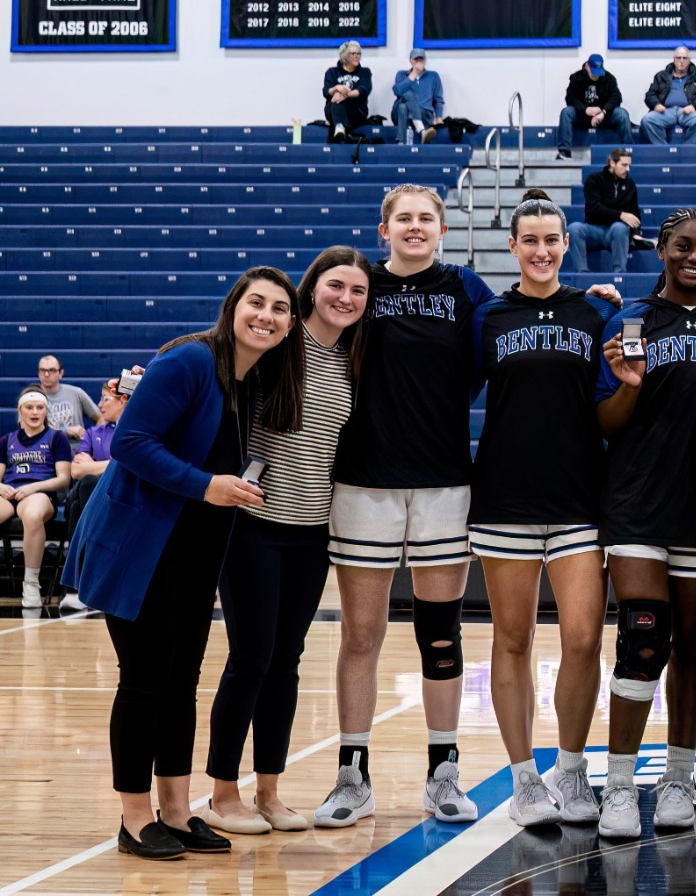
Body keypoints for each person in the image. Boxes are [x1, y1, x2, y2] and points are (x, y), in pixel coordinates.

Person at [62, 267, 302, 861]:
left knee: (181, 683)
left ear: (290, 323)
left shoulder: (257, 379)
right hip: (138, 542)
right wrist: (206, 486)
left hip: (195, 549)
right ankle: (135, 817)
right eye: (256, 302)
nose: (266, 315)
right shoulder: (191, 362)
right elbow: (130, 443)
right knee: (145, 682)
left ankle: (176, 809)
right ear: (234, 306)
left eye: (279, 308)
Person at [318, 185, 498, 829]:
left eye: (427, 218)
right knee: (361, 634)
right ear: (383, 226)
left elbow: (506, 346)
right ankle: (353, 775)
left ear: (443, 228)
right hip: (364, 481)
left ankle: (443, 772)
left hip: (445, 482)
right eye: (404, 219)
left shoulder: (467, 289)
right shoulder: (358, 286)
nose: (415, 227)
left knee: (440, 636)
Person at [596, 209, 696, 838]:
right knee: (643, 639)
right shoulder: (628, 321)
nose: (695, 257)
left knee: (691, 644)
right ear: (661, 250)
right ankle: (617, 785)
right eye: (683, 247)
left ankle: (677, 776)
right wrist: (629, 386)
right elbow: (606, 423)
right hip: (637, 499)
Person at [200, 247, 370, 837]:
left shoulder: (354, 356)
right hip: (255, 527)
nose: (345, 298)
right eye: (335, 286)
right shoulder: (280, 347)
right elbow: (218, 356)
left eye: (357, 290)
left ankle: (268, 792)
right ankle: (223, 794)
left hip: (311, 532)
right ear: (312, 288)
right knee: (250, 657)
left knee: (286, 662)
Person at [469, 199, 619, 827]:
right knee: (513, 640)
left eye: (551, 240)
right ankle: (524, 777)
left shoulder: (595, 313)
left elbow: (616, 397)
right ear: (512, 245)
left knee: (584, 639)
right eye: (529, 240)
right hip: (506, 497)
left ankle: (574, 769)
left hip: (578, 497)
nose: (541, 250)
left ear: (565, 244)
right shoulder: (489, 318)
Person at [5, 391, 73, 607]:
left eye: (40, 407)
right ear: (20, 410)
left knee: (33, 515)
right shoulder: (6, 440)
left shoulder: (57, 438)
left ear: (46, 410)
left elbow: (63, 479)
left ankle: (31, 583)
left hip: (39, 493)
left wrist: (33, 487)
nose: (35, 412)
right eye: (29, 407)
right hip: (9, 493)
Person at [65, 375, 128, 544]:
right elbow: (76, 470)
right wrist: (115, 464)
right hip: (93, 491)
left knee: (76, 507)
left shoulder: (133, 434)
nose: (99, 405)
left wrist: (93, 465)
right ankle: (100, 544)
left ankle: (82, 558)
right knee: (88, 482)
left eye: (105, 399)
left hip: (117, 493)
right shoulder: (94, 433)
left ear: (122, 401)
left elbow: (132, 465)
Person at [568, 149, 642, 274]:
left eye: (629, 165)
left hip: (616, 233)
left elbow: (634, 213)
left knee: (620, 228)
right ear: (612, 162)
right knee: (574, 228)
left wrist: (635, 232)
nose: (628, 169)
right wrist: (620, 215)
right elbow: (594, 208)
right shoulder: (594, 179)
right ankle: (582, 273)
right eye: (624, 165)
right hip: (593, 230)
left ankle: (619, 274)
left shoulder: (630, 185)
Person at [556, 54, 632, 158]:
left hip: (603, 116)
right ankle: (564, 151)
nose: (596, 76)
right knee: (566, 112)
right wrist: (586, 110)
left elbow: (616, 98)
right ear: (587, 66)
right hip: (583, 116)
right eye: (593, 72)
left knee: (622, 113)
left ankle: (628, 150)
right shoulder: (576, 78)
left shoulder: (609, 78)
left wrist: (603, 112)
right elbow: (570, 98)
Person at [641, 46, 696, 145]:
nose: (681, 61)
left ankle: (687, 148)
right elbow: (650, 95)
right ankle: (663, 150)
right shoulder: (661, 76)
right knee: (647, 119)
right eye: (678, 58)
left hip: (687, 112)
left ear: (689, 61)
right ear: (674, 60)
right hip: (666, 112)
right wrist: (656, 105)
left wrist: (693, 106)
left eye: (684, 58)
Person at [32, 355, 99, 440]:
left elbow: (100, 418)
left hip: (76, 448)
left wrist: (95, 442)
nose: (46, 374)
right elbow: (26, 428)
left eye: (52, 370)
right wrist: (65, 430)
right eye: (42, 370)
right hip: (45, 448)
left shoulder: (76, 393)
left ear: (61, 373)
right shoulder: (31, 397)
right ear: (38, 373)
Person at [390, 50, 445, 144]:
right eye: (416, 59)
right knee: (407, 94)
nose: (419, 62)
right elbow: (397, 91)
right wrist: (414, 74)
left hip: (424, 114)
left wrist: (439, 118)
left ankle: (401, 141)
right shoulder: (401, 74)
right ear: (411, 61)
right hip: (399, 115)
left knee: (403, 107)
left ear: (425, 61)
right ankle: (422, 130)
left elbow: (438, 100)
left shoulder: (433, 76)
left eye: (421, 59)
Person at [321, 41, 371, 143]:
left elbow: (363, 90)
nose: (356, 56)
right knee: (334, 103)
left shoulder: (365, 72)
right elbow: (326, 91)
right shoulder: (332, 72)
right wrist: (336, 89)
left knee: (336, 101)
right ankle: (340, 127)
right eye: (353, 53)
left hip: (356, 111)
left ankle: (340, 127)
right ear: (344, 55)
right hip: (333, 110)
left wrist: (346, 94)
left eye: (358, 54)